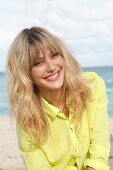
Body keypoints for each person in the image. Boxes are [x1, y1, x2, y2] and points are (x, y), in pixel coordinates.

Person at [6, 26, 110, 170]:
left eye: (54, 55)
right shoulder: (27, 117)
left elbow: (99, 151)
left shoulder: (92, 86)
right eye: (38, 63)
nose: (51, 67)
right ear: (26, 74)